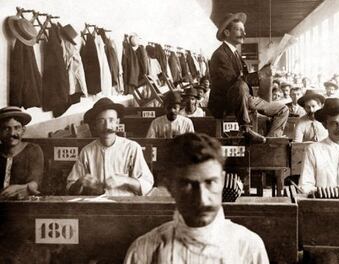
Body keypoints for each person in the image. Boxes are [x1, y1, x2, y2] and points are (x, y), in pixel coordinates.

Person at [124, 133, 269, 263]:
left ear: (223, 181)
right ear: (170, 187)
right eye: (188, 184)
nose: (202, 200)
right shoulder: (143, 252)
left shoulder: (249, 247)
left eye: (210, 182)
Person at [209, 12, 289, 144]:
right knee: (240, 86)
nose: (244, 33)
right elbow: (234, 83)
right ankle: (245, 129)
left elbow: (244, 80)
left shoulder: (235, 54)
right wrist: (260, 74)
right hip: (226, 101)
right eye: (239, 29)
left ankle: (270, 142)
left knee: (283, 109)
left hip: (245, 98)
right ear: (227, 33)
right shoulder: (220, 55)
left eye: (244, 30)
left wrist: (265, 74)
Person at [67, 97, 154, 196]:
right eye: (101, 121)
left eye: (111, 120)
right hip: (96, 206)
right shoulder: (87, 151)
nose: (107, 126)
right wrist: (80, 182)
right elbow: (70, 186)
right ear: (95, 125)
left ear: (117, 122)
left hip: (125, 206)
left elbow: (147, 185)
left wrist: (125, 180)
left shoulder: (132, 148)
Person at [0, 107, 43, 199]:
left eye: (17, 128)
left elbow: (35, 183)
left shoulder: (33, 150)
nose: (12, 133)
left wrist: (20, 188)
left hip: (23, 205)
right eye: (6, 129)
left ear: (23, 130)